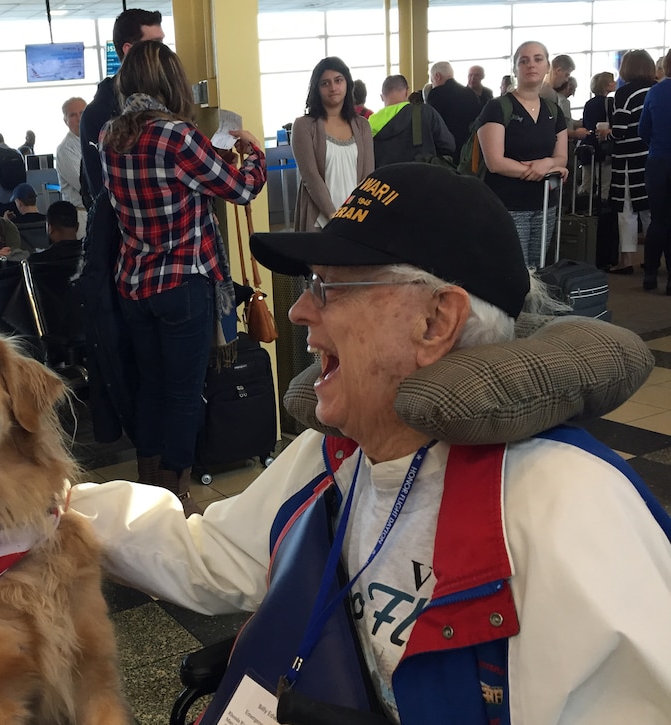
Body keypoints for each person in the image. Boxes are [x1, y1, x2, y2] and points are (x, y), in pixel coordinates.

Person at [70, 162, 671, 725]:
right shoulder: (334, 456)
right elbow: (209, 555)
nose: (301, 310)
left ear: (437, 321)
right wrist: (48, 507)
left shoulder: (567, 507)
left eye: (331, 289)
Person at [99, 40, 266, 514]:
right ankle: (176, 493)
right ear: (169, 83)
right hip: (182, 283)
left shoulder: (111, 135)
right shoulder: (177, 136)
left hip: (134, 281)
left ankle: (148, 486)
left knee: (151, 385)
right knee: (184, 391)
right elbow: (240, 189)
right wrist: (251, 151)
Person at [477, 41, 569, 268]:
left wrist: (547, 163)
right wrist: (540, 171)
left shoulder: (553, 110)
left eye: (538, 59)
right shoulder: (497, 108)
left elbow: (561, 157)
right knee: (512, 269)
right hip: (508, 203)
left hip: (545, 203)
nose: (531, 65)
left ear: (547, 65)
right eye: (524, 61)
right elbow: (495, 162)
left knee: (538, 269)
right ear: (515, 68)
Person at [79, 8, 165, 203]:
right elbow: (100, 190)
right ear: (129, 49)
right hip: (129, 227)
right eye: (155, 44)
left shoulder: (167, 99)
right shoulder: (98, 113)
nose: (163, 52)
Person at [291, 56, 374, 232]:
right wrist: (333, 217)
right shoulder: (304, 125)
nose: (333, 87)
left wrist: (355, 215)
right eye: (325, 83)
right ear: (317, 89)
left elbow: (368, 176)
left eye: (338, 80)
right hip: (319, 220)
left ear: (347, 84)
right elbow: (310, 176)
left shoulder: (363, 125)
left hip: (357, 219)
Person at [604, 50, 657, 282]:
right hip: (652, 157)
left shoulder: (623, 93)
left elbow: (621, 131)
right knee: (651, 210)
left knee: (627, 211)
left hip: (628, 160)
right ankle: (653, 259)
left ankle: (626, 260)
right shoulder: (656, 89)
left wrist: (606, 132)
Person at [369, 74, 455, 167]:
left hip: (384, 178)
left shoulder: (370, 123)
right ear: (407, 92)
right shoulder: (425, 112)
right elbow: (448, 145)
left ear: (382, 97)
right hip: (423, 177)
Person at [640, 51, 671, 292]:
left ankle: (650, 273)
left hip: (657, 162)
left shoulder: (655, 92)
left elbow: (643, 130)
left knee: (658, 219)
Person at [426, 60, 482, 152]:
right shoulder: (470, 93)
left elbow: (432, 123)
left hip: (446, 149)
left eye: (432, 81)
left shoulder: (436, 94)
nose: (433, 85)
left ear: (437, 76)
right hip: (468, 149)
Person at [580, 71, 617, 200]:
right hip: (603, 146)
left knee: (587, 183)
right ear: (606, 85)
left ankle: (585, 211)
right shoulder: (610, 102)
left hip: (588, 144)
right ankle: (602, 209)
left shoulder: (588, 103)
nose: (616, 83)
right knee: (604, 183)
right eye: (612, 81)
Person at [56, 96, 89, 231]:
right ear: (66, 121)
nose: (79, 118)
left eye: (82, 113)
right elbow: (85, 184)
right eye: (73, 115)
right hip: (81, 215)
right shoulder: (66, 149)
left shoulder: (97, 139)